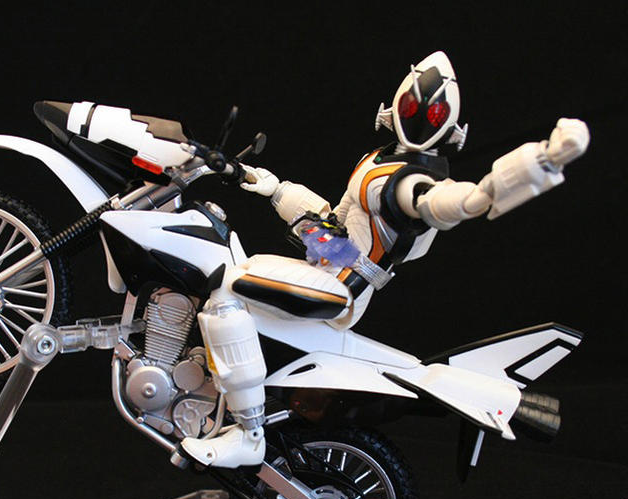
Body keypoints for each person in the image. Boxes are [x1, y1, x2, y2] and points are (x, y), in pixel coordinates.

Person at [181, 51, 589, 468]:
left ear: (447, 123)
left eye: (430, 113)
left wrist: (535, 164)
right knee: (223, 264)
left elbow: (450, 202)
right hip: (333, 265)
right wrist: (267, 185)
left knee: (226, 285)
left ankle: (250, 435)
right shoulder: (380, 161)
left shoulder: (412, 182)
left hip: (342, 288)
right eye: (413, 107)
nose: (419, 117)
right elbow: (333, 221)